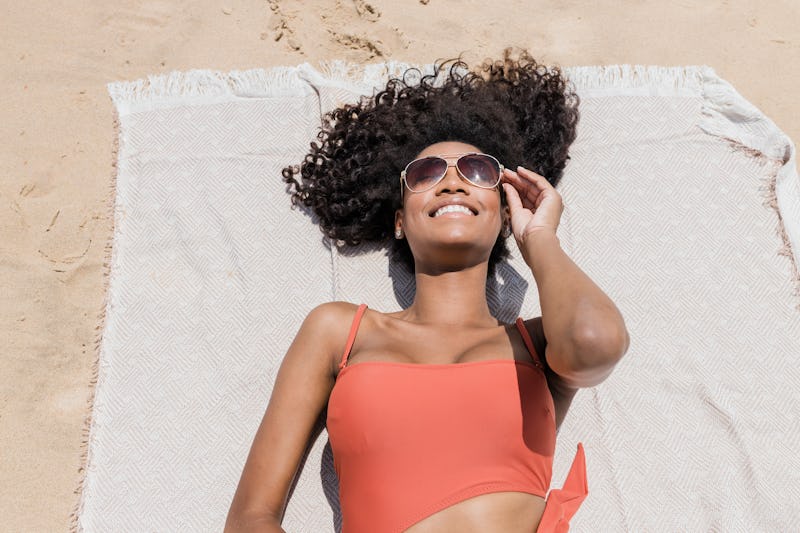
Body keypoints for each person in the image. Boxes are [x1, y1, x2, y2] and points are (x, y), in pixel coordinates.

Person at [225, 48, 629, 533]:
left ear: (503, 211)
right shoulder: (341, 332)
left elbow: (595, 341)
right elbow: (251, 517)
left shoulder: (539, 346)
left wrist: (538, 238)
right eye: (425, 174)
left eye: (478, 171)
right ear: (399, 220)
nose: (452, 183)